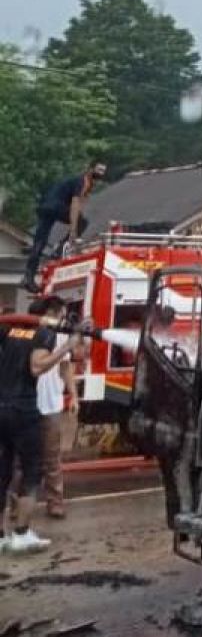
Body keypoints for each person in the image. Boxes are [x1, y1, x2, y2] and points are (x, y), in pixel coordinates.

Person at [0, 311, 82, 554]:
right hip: (24, 411)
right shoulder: (44, 334)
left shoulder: (9, 332)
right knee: (31, 473)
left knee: (2, 473)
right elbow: (37, 367)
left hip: (2, 407)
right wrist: (66, 345)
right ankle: (22, 534)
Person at [22, 161, 106, 293]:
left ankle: (28, 277)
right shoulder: (82, 181)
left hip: (45, 206)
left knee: (39, 243)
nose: (101, 174)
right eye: (99, 170)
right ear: (90, 169)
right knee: (82, 222)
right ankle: (60, 250)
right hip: (56, 206)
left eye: (103, 171)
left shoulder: (76, 181)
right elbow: (75, 205)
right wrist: (73, 231)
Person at [28, 296, 77, 518]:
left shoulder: (62, 335)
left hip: (52, 405)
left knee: (52, 458)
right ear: (51, 313)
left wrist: (73, 395)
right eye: (62, 315)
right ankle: (15, 504)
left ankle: (55, 502)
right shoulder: (30, 333)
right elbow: (36, 366)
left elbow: (66, 368)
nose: (64, 319)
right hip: (27, 404)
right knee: (22, 458)